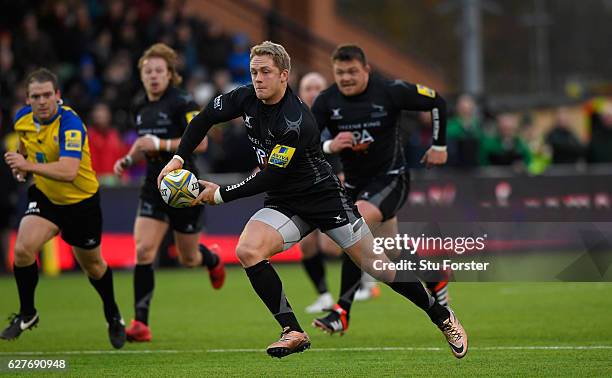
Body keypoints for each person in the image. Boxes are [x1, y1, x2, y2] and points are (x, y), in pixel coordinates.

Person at [158, 41, 467, 359]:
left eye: (266, 72)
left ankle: (443, 319)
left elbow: (270, 176)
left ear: (284, 75)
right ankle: (292, 330)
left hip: (324, 199)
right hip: (286, 201)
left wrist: (220, 195)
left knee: (380, 267)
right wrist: (178, 159)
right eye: (253, 72)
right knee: (248, 250)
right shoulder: (244, 97)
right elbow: (204, 117)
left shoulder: (295, 119)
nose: (258, 78)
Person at [311, 44, 452, 335]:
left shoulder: (389, 91)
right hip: (354, 185)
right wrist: (329, 146)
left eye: (352, 71)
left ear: (367, 70)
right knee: (391, 250)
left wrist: (439, 145)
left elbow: (437, 101)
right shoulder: (327, 101)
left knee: (355, 224)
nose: (346, 77)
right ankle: (434, 277)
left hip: (391, 179)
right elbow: (306, 143)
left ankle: (342, 311)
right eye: (340, 73)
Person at [1, 68, 126, 348]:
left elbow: (69, 171)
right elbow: (26, 145)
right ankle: (27, 313)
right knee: (21, 249)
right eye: (36, 96)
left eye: (47, 95)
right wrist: (22, 165)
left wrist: (28, 166)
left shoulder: (70, 123)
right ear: (28, 100)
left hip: (81, 202)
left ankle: (113, 314)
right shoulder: (22, 119)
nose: (42, 101)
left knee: (93, 267)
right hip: (46, 196)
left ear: (58, 96)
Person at [113, 43, 225, 343]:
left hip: (183, 185)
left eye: (158, 71)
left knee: (188, 258)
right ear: (141, 75)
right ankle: (141, 323)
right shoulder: (139, 105)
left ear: (170, 74)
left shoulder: (183, 102)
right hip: (153, 185)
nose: (153, 76)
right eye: (147, 71)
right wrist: (127, 159)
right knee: (143, 251)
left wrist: (161, 146)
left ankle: (211, 260)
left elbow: (200, 143)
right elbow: (143, 144)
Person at [297, 72, 344, 313]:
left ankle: (366, 275)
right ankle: (324, 295)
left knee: (331, 247)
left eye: (318, 87)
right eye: (308, 87)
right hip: (302, 191)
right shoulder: (292, 117)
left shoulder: (336, 116)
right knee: (307, 247)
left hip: (331, 187)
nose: (313, 92)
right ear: (300, 92)